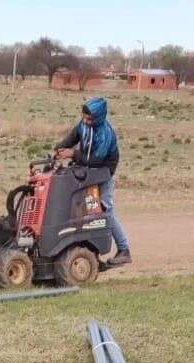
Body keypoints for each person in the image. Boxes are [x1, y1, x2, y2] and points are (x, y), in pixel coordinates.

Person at [54, 97, 131, 266]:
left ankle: (124, 250)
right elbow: (72, 138)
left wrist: (73, 154)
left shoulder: (105, 134)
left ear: (98, 118)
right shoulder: (83, 125)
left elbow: (96, 159)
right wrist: (58, 149)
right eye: (83, 117)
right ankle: (91, 255)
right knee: (84, 212)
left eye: (89, 119)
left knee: (104, 211)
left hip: (103, 173)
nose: (85, 121)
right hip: (87, 172)